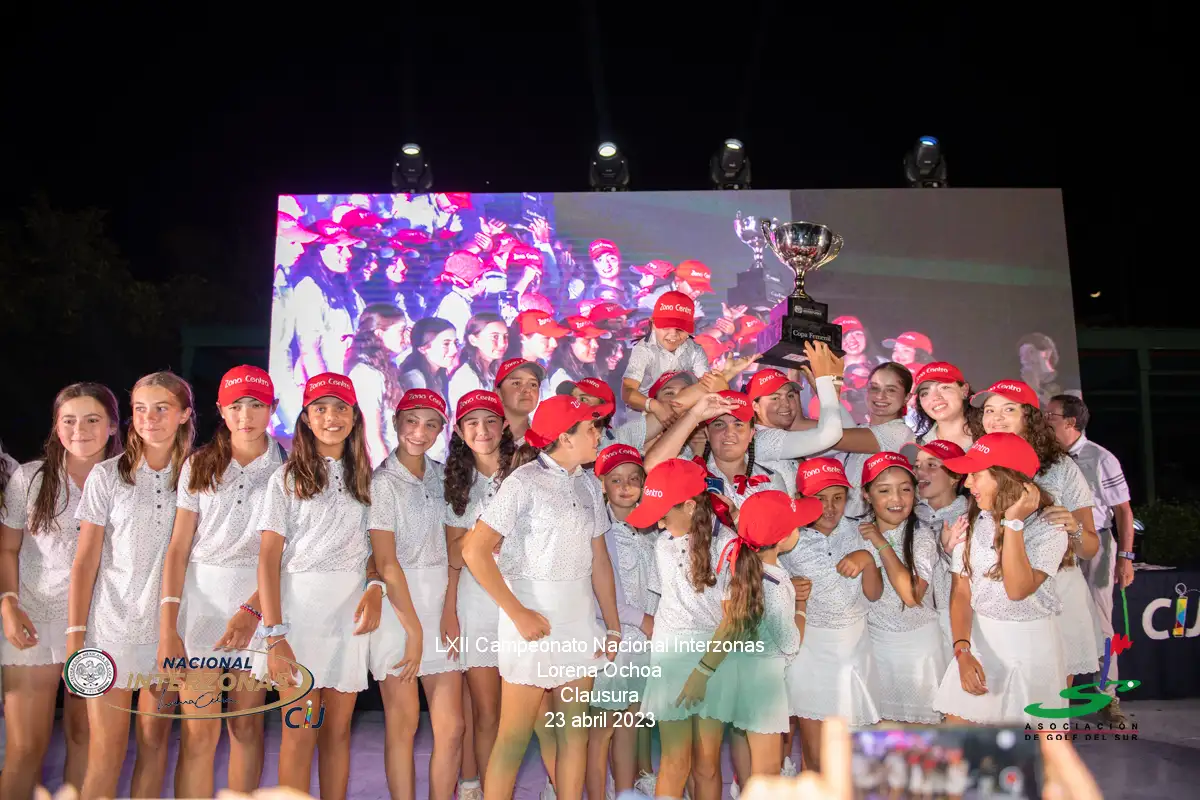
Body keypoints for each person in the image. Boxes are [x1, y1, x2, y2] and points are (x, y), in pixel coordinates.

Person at [461, 395, 622, 800]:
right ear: (565, 438)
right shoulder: (523, 481)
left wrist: (613, 626)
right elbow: (474, 550)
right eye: (591, 428)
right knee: (513, 738)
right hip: (531, 623)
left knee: (574, 736)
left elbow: (600, 561)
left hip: (579, 622)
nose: (598, 435)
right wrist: (518, 614)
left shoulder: (589, 483)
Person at [68, 371, 196, 798]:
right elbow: (85, 561)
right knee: (105, 753)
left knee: (154, 744)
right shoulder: (107, 476)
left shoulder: (198, 475)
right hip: (109, 632)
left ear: (184, 415)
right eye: (140, 409)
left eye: (161, 408)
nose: (149, 419)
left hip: (168, 633)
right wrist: (75, 638)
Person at [253, 373, 381, 799]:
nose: (331, 417)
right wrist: (275, 635)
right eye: (320, 408)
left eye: (341, 407)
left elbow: (375, 550)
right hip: (299, 621)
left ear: (354, 416)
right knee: (300, 732)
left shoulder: (369, 480)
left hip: (348, 620)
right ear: (306, 418)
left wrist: (375, 586)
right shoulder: (285, 479)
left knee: (337, 733)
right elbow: (268, 559)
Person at [157, 367, 284, 797]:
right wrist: (168, 624)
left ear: (273, 408)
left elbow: (287, 556)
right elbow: (178, 547)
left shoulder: (290, 467)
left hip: (259, 605)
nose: (246, 415)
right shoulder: (198, 464)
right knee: (199, 732)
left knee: (246, 726)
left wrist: (253, 611)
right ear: (221, 410)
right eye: (236, 406)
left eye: (256, 405)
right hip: (201, 609)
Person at [1, 384, 121, 800]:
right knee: (24, 747)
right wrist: (8, 604)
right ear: (56, 426)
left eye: (92, 420)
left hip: (100, 627)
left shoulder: (127, 480)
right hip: (33, 621)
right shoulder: (29, 477)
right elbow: (7, 548)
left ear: (112, 426)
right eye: (68, 420)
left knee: (85, 737)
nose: (79, 429)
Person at [932, 433, 1070, 724]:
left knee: (1031, 748)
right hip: (979, 642)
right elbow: (961, 592)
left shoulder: (1049, 527)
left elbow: (1017, 589)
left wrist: (1013, 523)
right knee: (958, 740)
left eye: (975, 474)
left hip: (1031, 649)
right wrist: (962, 650)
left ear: (1005, 478)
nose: (967, 483)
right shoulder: (974, 521)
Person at [970, 380, 1101, 686]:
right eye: (989, 410)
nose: (996, 418)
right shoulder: (977, 464)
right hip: (995, 594)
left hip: (1057, 590)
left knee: (1051, 696)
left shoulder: (1060, 467)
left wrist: (1074, 528)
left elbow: (1090, 548)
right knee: (998, 694)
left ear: (1029, 416)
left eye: (1008, 410)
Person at [368, 388, 463, 800]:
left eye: (431, 424)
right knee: (403, 725)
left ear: (442, 429)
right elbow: (386, 562)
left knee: (452, 728)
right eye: (411, 421)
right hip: (397, 613)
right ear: (395, 422)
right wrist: (414, 630)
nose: (419, 432)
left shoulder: (446, 477)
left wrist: (449, 609)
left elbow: (455, 550)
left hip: (440, 607)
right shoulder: (380, 483)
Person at [625, 457, 739, 800]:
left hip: (714, 658)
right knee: (675, 761)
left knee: (707, 764)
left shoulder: (728, 545)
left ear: (690, 506)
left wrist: (703, 671)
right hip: (670, 658)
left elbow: (732, 620)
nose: (659, 524)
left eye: (663, 514)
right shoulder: (663, 544)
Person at [693, 491, 820, 778]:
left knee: (762, 769)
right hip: (765, 683)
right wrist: (801, 607)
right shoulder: (774, 583)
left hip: (747, 676)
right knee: (767, 771)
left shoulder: (742, 570)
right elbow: (790, 643)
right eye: (796, 525)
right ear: (783, 537)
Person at [782, 458, 882, 770]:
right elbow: (762, 583)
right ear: (800, 499)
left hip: (854, 648)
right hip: (809, 650)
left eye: (837, 498)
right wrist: (788, 588)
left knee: (853, 753)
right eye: (819, 498)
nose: (829, 507)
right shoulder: (787, 537)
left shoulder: (861, 532)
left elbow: (874, 593)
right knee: (814, 752)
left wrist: (867, 559)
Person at [443, 390, 516, 800]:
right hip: (477, 604)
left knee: (525, 712)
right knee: (487, 713)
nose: (482, 430)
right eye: (472, 422)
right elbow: (455, 555)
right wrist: (487, 534)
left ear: (504, 425)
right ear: (459, 430)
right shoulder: (457, 482)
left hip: (523, 598)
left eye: (490, 420)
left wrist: (482, 541)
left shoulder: (524, 471)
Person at [1046, 393, 1136, 724]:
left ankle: (1108, 696)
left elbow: (1123, 510)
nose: (1045, 420)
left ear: (1071, 422)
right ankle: (1055, 695)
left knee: (1100, 620)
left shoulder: (1100, 458)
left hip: (1095, 542)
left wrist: (1125, 556)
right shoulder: (1047, 457)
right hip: (1055, 545)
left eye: (1051, 416)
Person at [586, 444, 654, 800]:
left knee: (629, 722)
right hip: (614, 642)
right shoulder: (600, 531)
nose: (626, 487)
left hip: (645, 643)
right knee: (601, 731)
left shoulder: (654, 527)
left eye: (633, 479)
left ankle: (626, 792)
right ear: (602, 485)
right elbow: (600, 593)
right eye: (616, 480)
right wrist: (642, 619)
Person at [857, 452, 945, 724]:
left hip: (919, 652)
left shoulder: (922, 536)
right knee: (881, 738)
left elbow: (911, 595)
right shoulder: (854, 535)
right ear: (866, 495)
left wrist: (881, 543)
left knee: (924, 739)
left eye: (905, 489)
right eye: (884, 490)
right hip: (875, 650)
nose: (896, 499)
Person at [622, 291, 709, 411]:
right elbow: (628, 391)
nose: (673, 334)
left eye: (681, 328)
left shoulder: (695, 350)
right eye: (666, 327)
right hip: (644, 415)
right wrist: (655, 407)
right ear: (652, 324)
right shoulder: (643, 350)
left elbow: (706, 387)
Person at [912, 363, 975, 451]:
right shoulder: (917, 448)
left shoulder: (989, 435)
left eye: (944, 387)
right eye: (925, 393)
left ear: (964, 390)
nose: (935, 397)